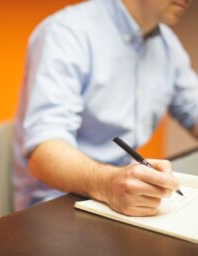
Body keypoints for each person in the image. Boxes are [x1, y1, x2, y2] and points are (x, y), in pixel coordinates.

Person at [13, 0, 198, 216]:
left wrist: (115, 184)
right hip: (58, 203)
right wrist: (107, 185)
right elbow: (44, 153)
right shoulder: (66, 33)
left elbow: (193, 107)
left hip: (121, 194)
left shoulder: (166, 44)